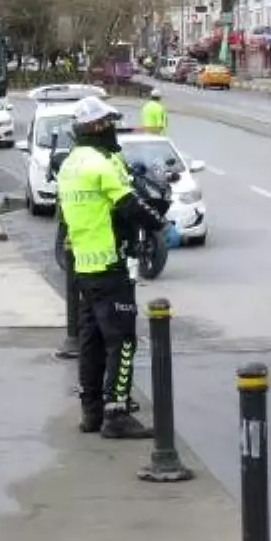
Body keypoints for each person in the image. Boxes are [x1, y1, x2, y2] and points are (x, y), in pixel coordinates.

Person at [57, 96, 165, 438]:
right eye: (110, 124)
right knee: (122, 341)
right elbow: (129, 204)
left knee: (90, 341)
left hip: (83, 267)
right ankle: (116, 413)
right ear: (98, 128)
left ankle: (91, 413)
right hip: (109, 263)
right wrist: (160, 224)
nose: (113, 130)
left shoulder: (71, 163)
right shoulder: (100, 165)